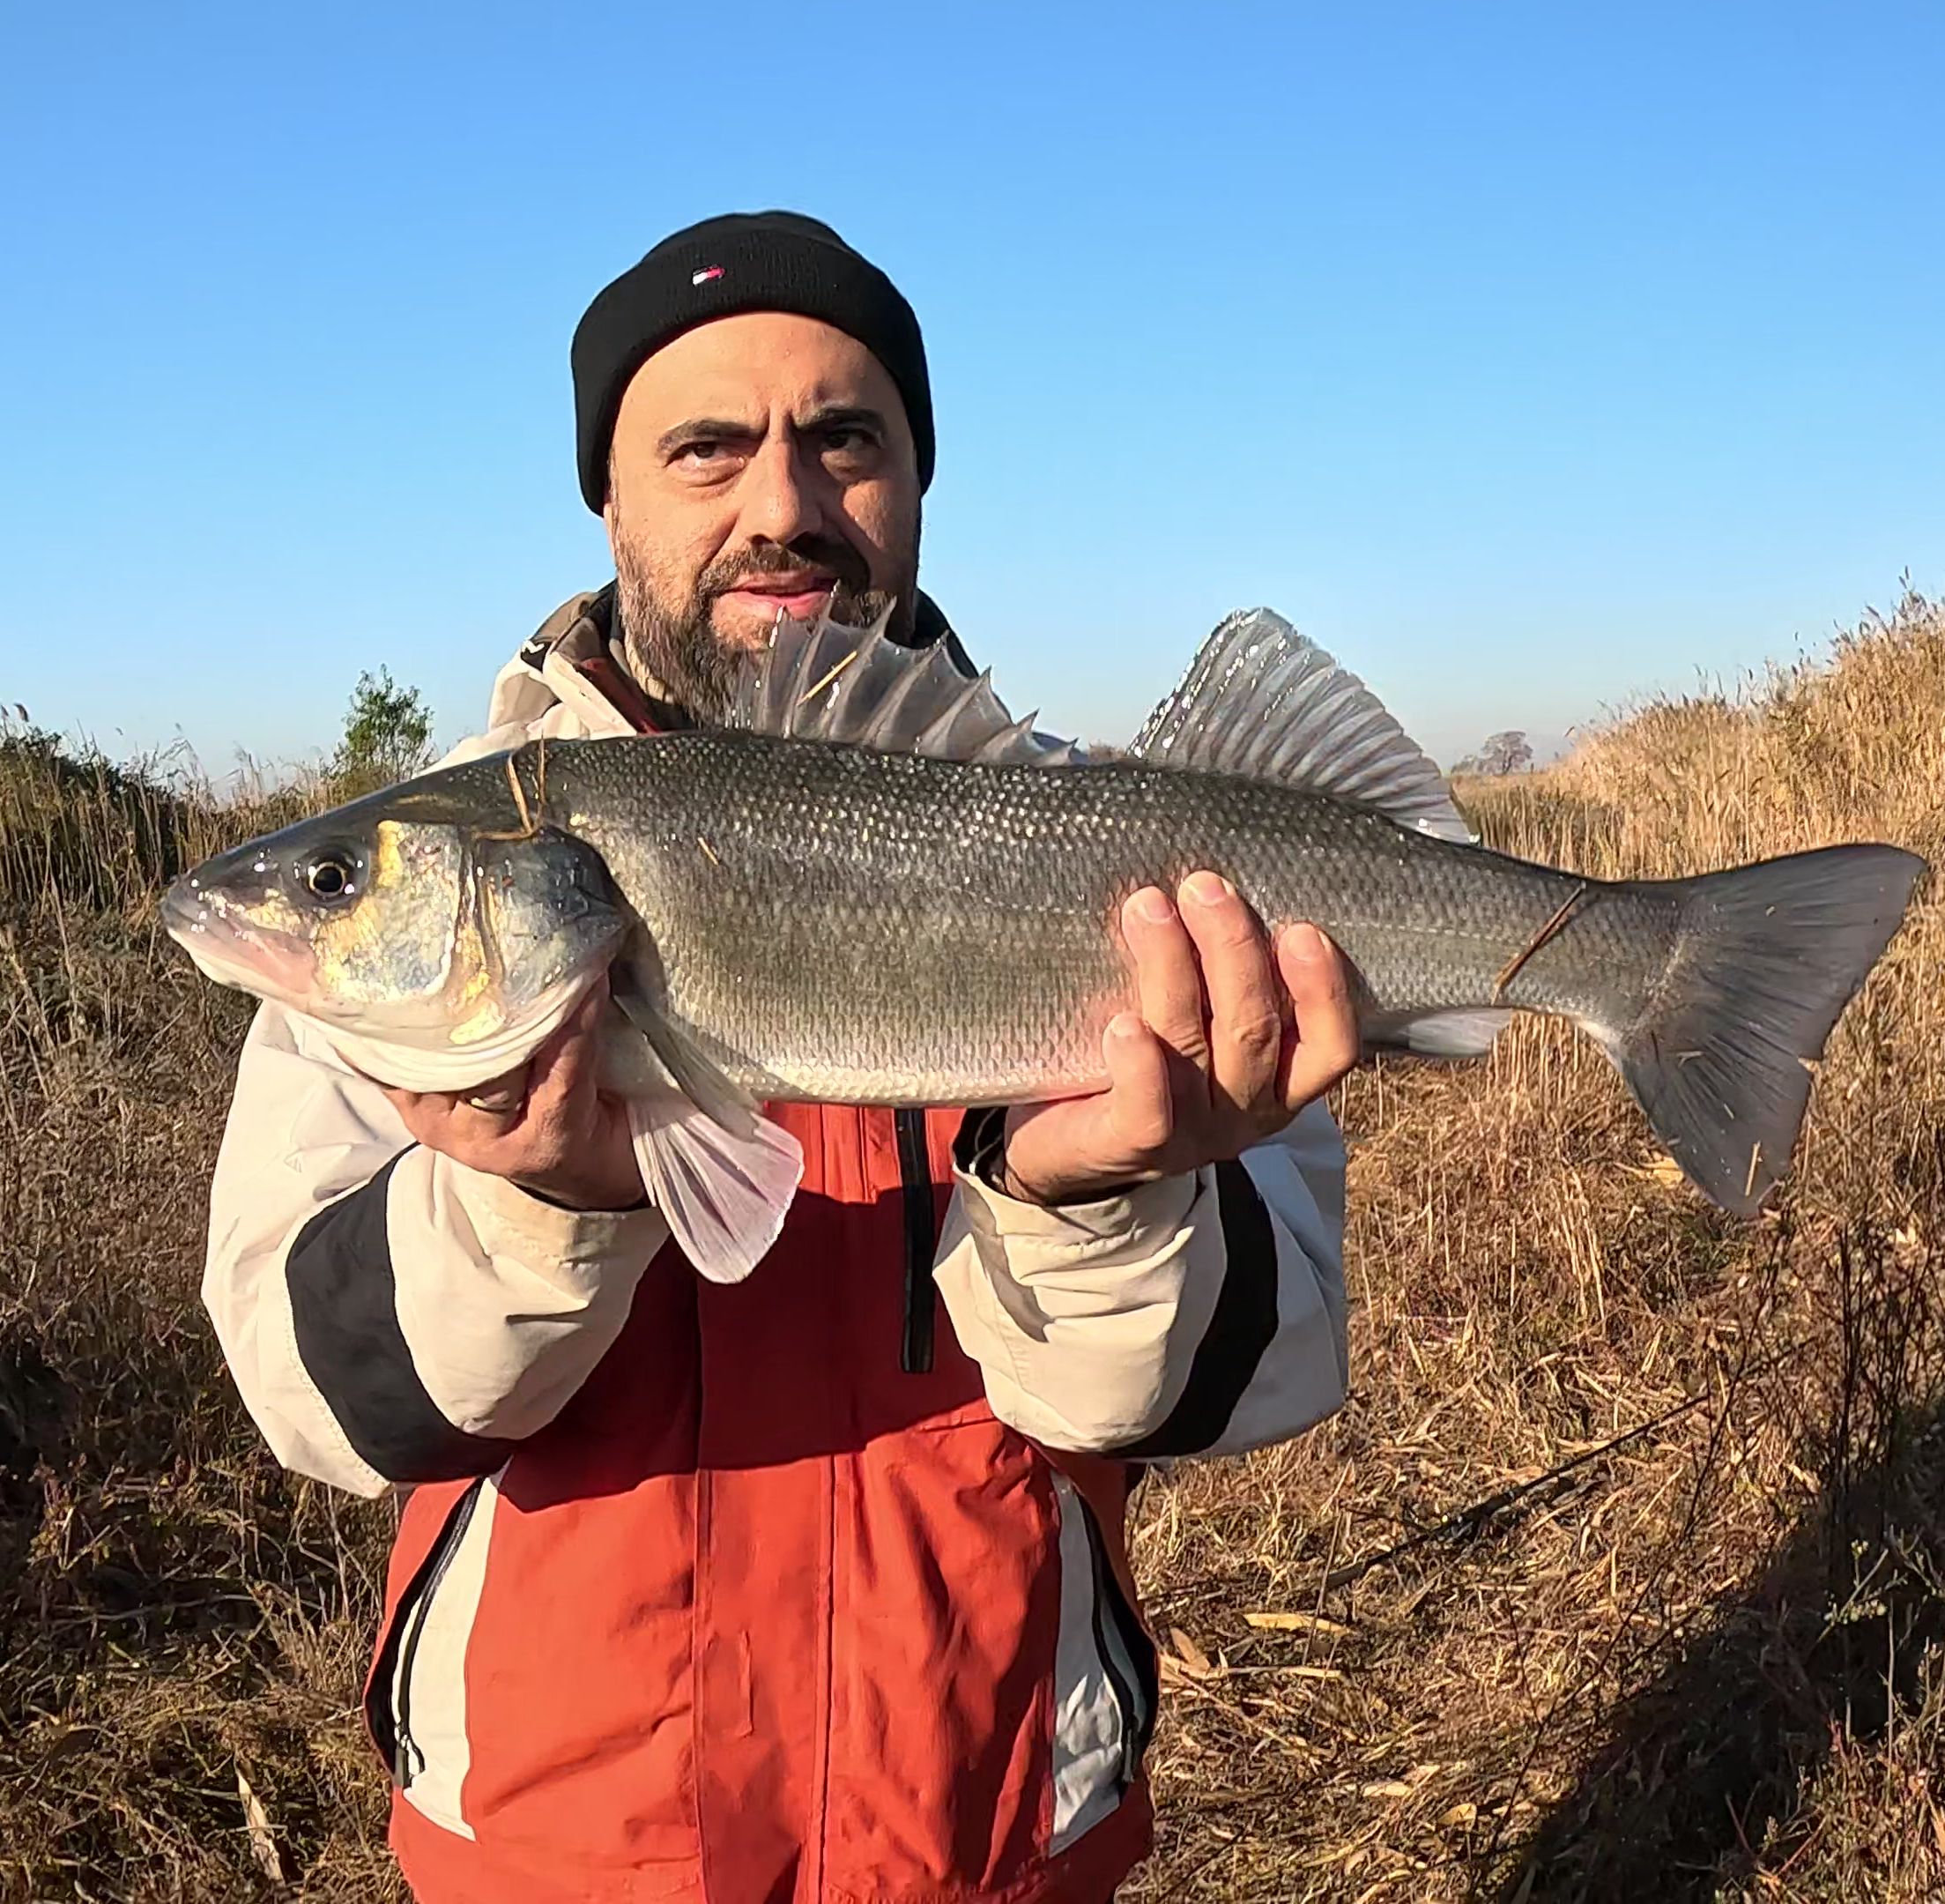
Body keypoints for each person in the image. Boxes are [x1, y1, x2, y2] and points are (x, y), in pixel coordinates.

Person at [202, 211, 1359, 1904]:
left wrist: (1093, 1194)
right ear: (610, 496)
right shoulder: (445, 858)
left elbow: (1264, 1382)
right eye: (706, 447)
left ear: (913, 482)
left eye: (846, 439)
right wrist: (535, 1214)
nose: (784, 503)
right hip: (559, 1847)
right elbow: (316, 1402)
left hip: (996, 1823)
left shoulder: (1116, 843)